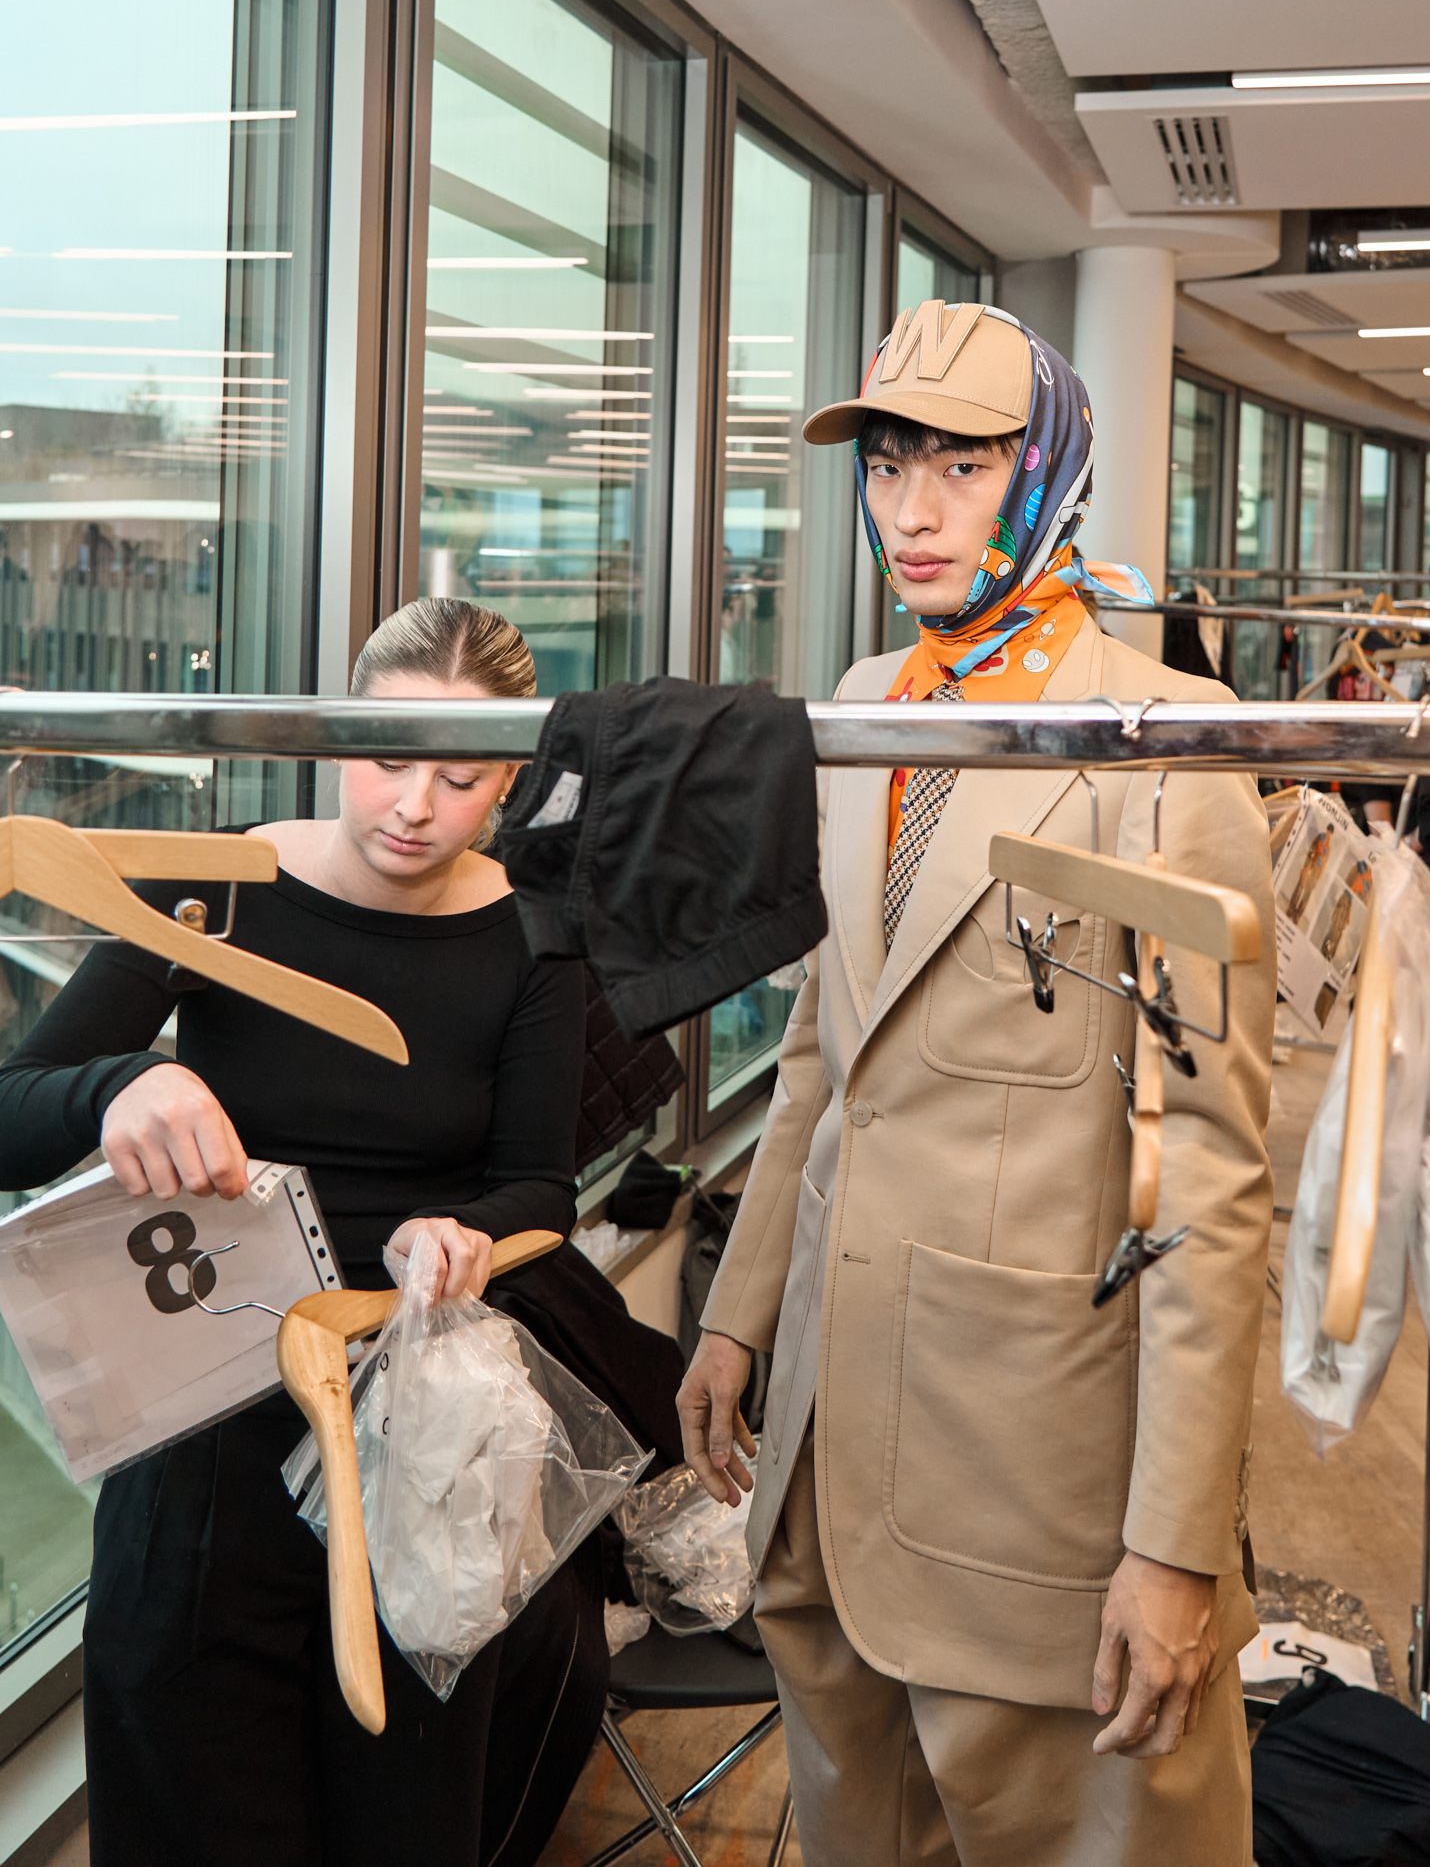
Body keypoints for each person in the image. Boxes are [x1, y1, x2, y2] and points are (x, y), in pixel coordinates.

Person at [676, 300, 1276, 1867]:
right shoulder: (866, 702)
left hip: (1032, 1478)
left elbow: (1210, 1179)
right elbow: (826, 1046)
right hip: (824, 1436)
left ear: (1047, 470)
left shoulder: (1162, 744)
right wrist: (742, 1313)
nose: (915, 508)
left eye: (961, 462)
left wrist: (1174, 1541)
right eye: (887, 464)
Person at [0, 599, 586, 1867]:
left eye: (461, 776)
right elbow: (3, 1117)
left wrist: (466, 1232)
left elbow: (542, 1185)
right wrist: (118, 1089)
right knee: (190, 1810)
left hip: (413, 1436)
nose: (414, 806)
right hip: (199, 1435)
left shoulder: (534, 936)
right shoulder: (215, 889)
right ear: (332, 739)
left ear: (511, 782)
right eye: (386, 759)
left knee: (407, 1823)